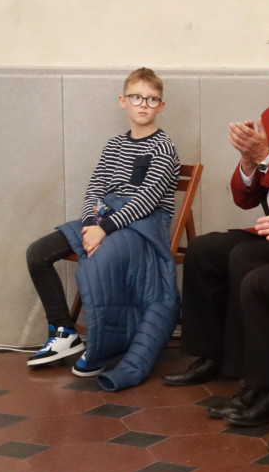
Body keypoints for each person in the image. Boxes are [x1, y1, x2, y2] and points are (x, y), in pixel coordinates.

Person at [163, 32, 269, 428]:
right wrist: (247, 162)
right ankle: (212, 356)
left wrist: (264, 157)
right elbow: (244, 197)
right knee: (207, 248)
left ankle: (254, 379)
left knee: (244, 257)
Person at [26, 67, 180, 389]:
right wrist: (88, 224)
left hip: (142, 226)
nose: (144, 104)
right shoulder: (114, 146)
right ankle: (64, 331)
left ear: (161, 106)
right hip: (103, 217)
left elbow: (146, 201)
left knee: (100, 262)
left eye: (152, 99)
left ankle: (100, 345)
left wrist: (104, 229)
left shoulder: (163, 149)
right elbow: (95, 188)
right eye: (137, 97)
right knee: (37, 253)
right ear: (123, 101)